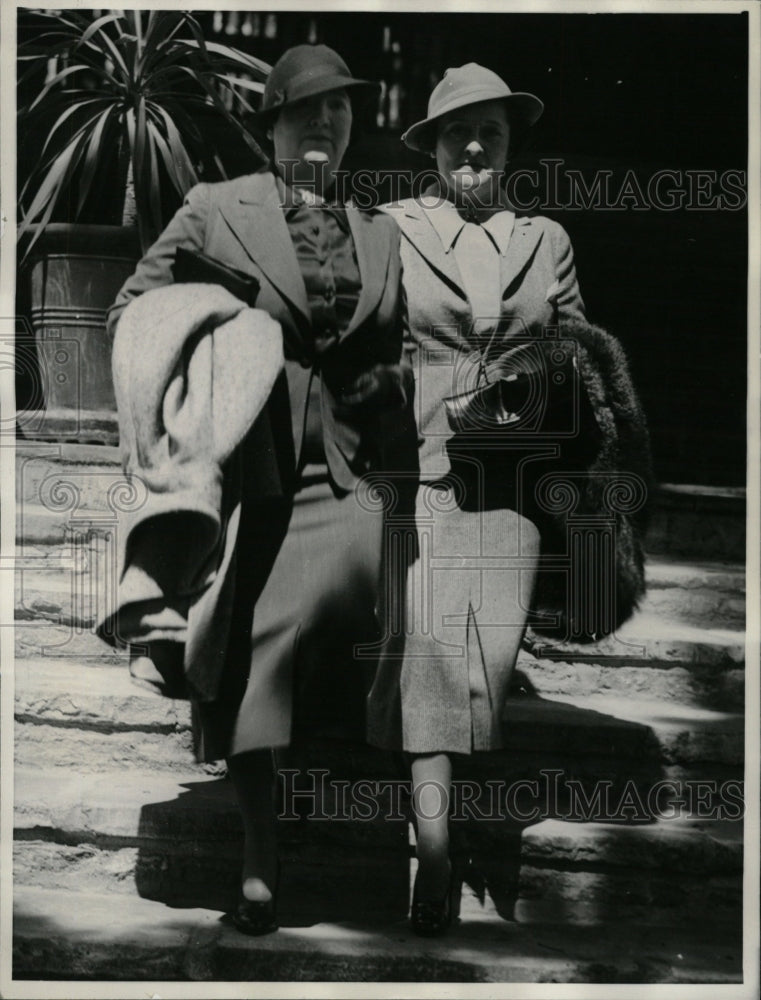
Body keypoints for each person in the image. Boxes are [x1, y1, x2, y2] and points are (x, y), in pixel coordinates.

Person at [105, 44, 414, 935]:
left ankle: (393, 839)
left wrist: (390, 387)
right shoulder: (214, 208)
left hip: (350, 471)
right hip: (253, 466)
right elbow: (134, 309)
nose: (325, 124)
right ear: (270, 123)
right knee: (254, 641)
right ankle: (260, 852)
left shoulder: (381, 229)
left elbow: (395, 349)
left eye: (341, 111)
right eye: (306, 110)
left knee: (380, 627)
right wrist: (217, 341)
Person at [369, 63, 592, 935]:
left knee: (481, 668)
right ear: (429, 147)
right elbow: (364, 339)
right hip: (419, 473)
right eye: (457, 133)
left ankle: (460, 835)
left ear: (507, 147)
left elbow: (575, 344)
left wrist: (536, 391)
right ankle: (431, 856)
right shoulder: (391, 230)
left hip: (509, 482)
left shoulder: (546, 240)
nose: (472, 146)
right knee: (426, 655)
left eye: (490, 133)